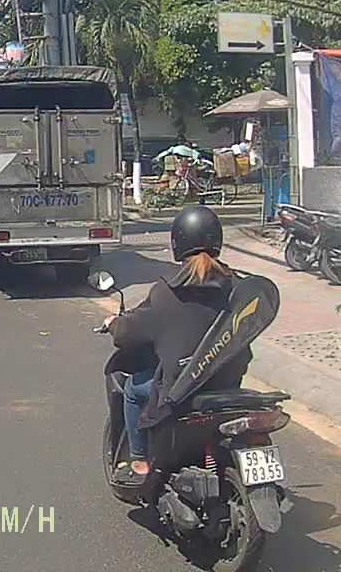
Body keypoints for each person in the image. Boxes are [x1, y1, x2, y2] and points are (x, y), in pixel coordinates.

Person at [104, 205, 248, 485]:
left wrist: (113, 324)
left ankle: (139, 461)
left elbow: (128, 333)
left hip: (180, 390)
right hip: (229, 384)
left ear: (177, 243)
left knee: (133, 389)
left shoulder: (167, 291)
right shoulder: (237, 286)